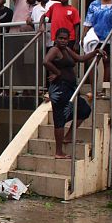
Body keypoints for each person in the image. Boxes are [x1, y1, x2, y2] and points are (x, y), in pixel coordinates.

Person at [43, 28, 103, 159]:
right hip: (60, 89)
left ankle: (68, 137)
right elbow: (45, 61)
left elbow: (81, 59)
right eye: (61, 38)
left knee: (84, 110)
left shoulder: (67, 50)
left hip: (70, 89)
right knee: (59, 118)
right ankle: (58, 152)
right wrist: (57, 73)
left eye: (66, 38)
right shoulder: (54, 50)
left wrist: (95, 52)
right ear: (56, 38)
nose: (63, 41)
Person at [83, 0, 112, 87]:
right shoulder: (94, 4)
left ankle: (105, 90)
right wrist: (83, 36)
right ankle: (94, 90)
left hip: (111, 39)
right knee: (92, 63)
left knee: (107, 63)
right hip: (95, 38)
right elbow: (88, 21)